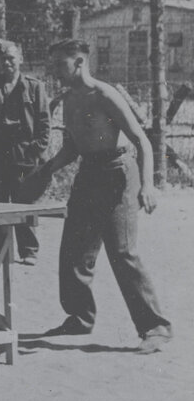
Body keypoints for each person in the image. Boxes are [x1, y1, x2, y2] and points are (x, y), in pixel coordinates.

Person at [35, 39, 170, 354]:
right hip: (88, 175)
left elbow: (141, 140)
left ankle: (156, 327)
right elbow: (72, 147)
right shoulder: (68, 100)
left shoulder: (105, 95)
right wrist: (48, 169)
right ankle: (80, 318)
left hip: (118, 174)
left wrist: (147, 185)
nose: (55, 71)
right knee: (74, 249)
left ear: (79, 62)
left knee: (122, 252)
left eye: (60, 64)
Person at [0, 40, 50, 265]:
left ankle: (29, 251)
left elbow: (44, 123)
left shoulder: (35, 87)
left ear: (20, 60)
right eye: (2, 59)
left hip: (25, 157)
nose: (7, 63)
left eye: (11, 58)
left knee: (25, 203)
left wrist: (36, 151)